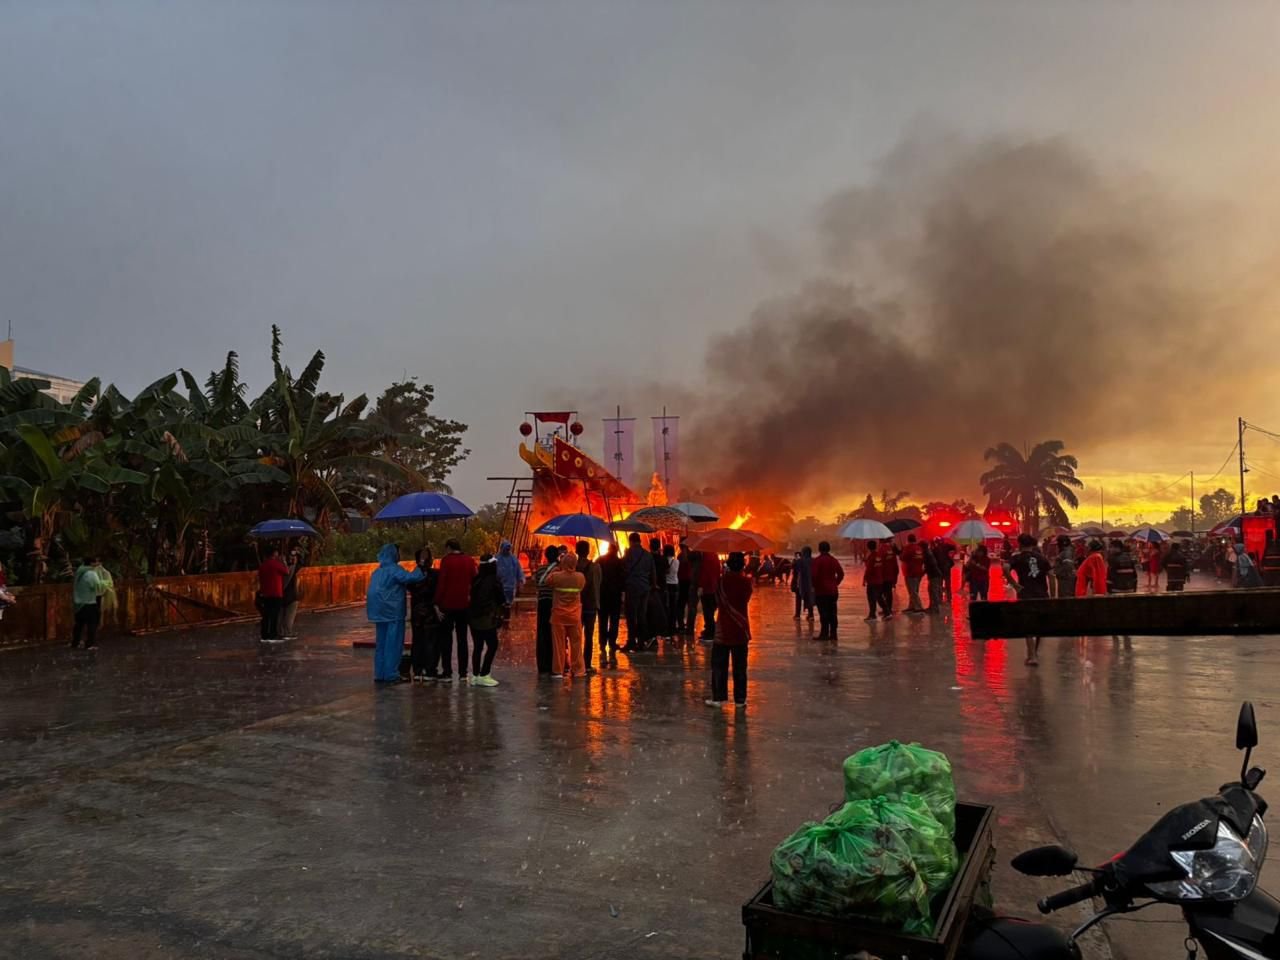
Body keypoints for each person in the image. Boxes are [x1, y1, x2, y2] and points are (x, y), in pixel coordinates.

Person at [365, 543, 425, 684]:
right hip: (393, 612)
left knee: (381, 644)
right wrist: (420, 565)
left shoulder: (378, 571)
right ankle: (391, 674)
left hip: (379, 612)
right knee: (393, 643)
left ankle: (380, 674)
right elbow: (411, 577)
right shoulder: (394, 570)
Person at [706, 552, 753, 709]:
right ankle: (740, 699)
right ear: (743, 565)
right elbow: (746, 599)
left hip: (723, 629)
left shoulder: (721, 581)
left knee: (719, 665)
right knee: (740, 666)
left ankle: (719, 697)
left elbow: (717, 601)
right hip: (741, 629)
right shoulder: (747, 582)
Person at [1004, 534, 1052, 665]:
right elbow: (1051, 575)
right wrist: (1052, 595)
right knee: (1039, 624)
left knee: (1027, 623)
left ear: (1019, 544)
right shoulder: (1042, 558)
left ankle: (1032, 656)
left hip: (1025, 594)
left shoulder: (1017, 558)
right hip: (1042, 595)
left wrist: (1014, 584)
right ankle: (1034, 652)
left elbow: (1005, 568)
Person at [435, 539, 478, 683]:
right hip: (464, 605)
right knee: (462, 639)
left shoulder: (446, 561)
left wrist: (437, 602)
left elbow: (442, 583)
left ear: (448, 548)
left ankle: (447, 672)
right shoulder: (469, 561)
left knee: (446, 640)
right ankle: (463, 673)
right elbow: (475, 580)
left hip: (448, 605)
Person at [546, 548, 587, 679]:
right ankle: (578, 670)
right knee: (576, 644)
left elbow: (547, 581)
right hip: (574, 616)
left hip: (559, 616)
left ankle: (558, 670)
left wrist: (556, 569)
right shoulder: (580, 577)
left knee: (558, 645)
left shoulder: (557, 576)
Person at [468, 554, 506, 686]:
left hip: (473, 618)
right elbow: (501, 599)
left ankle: (475, 675)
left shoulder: (476, 579)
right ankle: (484, 674)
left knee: (478, 646)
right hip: (486, 618)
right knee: (492, 645)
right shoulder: (493, 581)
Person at [407, 548, 440, 681]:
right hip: (431, 612)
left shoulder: (412, 576)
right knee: (431, 641)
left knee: (417, 640)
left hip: (416, 612)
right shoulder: (436, 575)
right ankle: (430, 670)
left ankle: (417, 669)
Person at [621, 533, 657, 651]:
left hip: (632, 587)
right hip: (645, 588)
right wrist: (653, 585)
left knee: (631, 615)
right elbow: (653, 572)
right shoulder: (648, 555)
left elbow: (624, 568)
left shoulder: (629, 553)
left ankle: (631, 641)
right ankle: (642, 641)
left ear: (631, 541)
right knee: (642, 614)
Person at [575, 541, 603, 672]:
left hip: (576, 605)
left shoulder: (572, 567)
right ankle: (587, 664)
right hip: (591, 604)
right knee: (589, 636)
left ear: (576, 551)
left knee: (575, 636)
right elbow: (599, 583)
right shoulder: (595, 567)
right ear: (588, 551)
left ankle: (576, 663)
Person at [596, 543, 624, 667]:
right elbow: (623, 579)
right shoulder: (620, 562)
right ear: (616, 550)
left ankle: (602, 643)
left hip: (602, 595)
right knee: (614, 620)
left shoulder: (600, 560)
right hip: (615, 595)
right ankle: (612, 642)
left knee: (602, 619)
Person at [535, 545, 561, 675]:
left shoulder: (540, 570)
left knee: (542, 633)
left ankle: (542, 664)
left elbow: (537, 584)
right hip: (554, 604)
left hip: (542, 603)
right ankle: (554, 662)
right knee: (554, 633)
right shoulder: (559, 570)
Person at [811, 540, 845, 639]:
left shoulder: (817, 561)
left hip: (821, 592)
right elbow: (841, 574)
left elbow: (814, 576)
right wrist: (835, 583)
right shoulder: (834, 560)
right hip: (833, 591)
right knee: (833, 613)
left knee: (823, 613)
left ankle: (824, 633)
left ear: (819, 549)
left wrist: (814, 586)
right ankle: (833, 634)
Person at [71, 556, 106, 650]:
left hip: (79, 602)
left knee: (79, 624)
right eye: (97, 562)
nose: (98, 564)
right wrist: (105, 583)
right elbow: (96, 586)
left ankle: (75, 642)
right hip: (89, 602)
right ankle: (90, 644)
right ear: (92, 563)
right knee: (92, 623)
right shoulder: (91, 573)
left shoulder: (80, 571)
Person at [257, 547, 290, 643]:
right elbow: (287, 572)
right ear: (274, 554)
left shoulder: (263, 565)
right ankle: (273, 634)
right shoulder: (276, 564)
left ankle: (264, 634)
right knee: (274, 615)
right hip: (276, 593)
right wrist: (284, 562)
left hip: (266, 593)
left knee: (266, 614)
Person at [495, 540, 525, 623]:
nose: (507, 550)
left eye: (508, 549)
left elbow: (519, 571)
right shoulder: (497, 559)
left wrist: (521, 581)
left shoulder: (513, 559)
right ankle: (499, 622)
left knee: (507, 605)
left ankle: (506, 623)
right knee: (500, 605)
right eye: (506, 548)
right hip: (499, 587)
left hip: (510, 587)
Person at [697, 549, 722, 642]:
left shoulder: (706, 556)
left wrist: (701, 585)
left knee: (708, 611)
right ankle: (709, 630)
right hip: (713, 586)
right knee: (710, 611)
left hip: (707, 588)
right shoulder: (715, 555)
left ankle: (710, 633)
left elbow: (705, 572)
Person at [901, 534, 926, 614]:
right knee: (915, 590)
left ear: (908, 540)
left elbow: (903, 558)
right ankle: (911, 606)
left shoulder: (908, 548)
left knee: (912, 591)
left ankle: (918, 607)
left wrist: (903, 550)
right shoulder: (919, 548)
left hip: (910, 572)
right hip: (919, 572)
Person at [281, 548, 303, 640]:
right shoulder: (292, 569)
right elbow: (301, 563)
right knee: (290, 616)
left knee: (281, 616)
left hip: (281, 595)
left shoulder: (280, 569)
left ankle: (281, 632)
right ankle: (288, 632)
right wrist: (297, 553)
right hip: (291, 596)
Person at [791, 546, 815, 621]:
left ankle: (797, 615)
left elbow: (794, 569)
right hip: (810, 584)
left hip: (800, 584)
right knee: (809, 598)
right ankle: (811, 615)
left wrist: (795, 560)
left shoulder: (799, 561)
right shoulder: (814, 561)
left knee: (798, 599)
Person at [662, 543, 680, 639]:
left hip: (667, 585)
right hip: (675, 585)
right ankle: (673, 627)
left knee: (666, 607)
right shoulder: (677, 561)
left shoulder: (664, 561)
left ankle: (666, 627)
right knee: (674, 607)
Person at [676, 541, 693, 633]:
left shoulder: (679, 556)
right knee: (690, 605)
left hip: (682, 582)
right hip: (690, 582)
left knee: (680, 605)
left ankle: (681, 625)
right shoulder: (691, 556)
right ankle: (690, 626)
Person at [880, 540, 900, 618]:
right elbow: (895, 564)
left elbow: (880, 563)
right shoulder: (891, 550)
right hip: (891, 575)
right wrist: (895, 576)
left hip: (883, 575)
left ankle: (886, 609)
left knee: (881, 593)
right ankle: (889, 608)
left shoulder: (881, 550)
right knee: (889, 592)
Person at [932, 539, 955, 604]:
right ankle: (949, 598)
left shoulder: (935, 549)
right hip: (946, 568)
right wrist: (951, 556)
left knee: (940, 584)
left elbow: (933, 560)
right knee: (948, 584)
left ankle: (940, 598)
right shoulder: (946, 546)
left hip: (940, 569)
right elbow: (954, 547)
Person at [922, 540, 943, 613]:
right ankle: (932, 607)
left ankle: (935, 609)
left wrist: (923, 572)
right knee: (931, 591)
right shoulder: (928, 552)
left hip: (934, 576)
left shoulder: (927, 554)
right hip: (934, 575)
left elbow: (931, 565)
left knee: (934, 592)